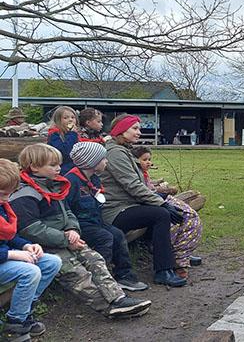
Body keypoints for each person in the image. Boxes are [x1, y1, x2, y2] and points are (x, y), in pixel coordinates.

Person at [10, 144, 151, 318]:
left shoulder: (54, 186)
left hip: (65, 237)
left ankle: (118, 298)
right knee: (75, 272)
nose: (59, 168)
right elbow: (30, 229)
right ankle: (106, 307)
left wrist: (72, 228)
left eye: (58, 164)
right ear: (35, 167)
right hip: (42, 245)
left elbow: (68, 211)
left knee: (95, 259)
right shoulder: (25, 194)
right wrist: (65, 238)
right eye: (52, 165)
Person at [100, 114, 187, 287]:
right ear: (121, 131)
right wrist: (161, 203)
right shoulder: (115, 153)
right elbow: (132, 185)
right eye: (135, 128)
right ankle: (163, 270)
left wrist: (159, 199)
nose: (139, 132)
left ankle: (173, 255)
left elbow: (137, 185)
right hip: (115, 211)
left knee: (162, 211)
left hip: (127, 205)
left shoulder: (122, 150)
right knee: (160, 214)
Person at [65, 142, 147, 291]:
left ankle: (125, 275)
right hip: (79, 225)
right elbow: (66, 208)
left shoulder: (94, 178)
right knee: (105, 238)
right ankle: (101, 279)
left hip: (95, 220)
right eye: (103, 159)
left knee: (117, 234)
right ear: (91, 162)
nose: (106, 162)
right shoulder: (72, 182)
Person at [0, 158, 61, 339]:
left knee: (52, 262)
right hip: (3, 257)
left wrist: (26, 245)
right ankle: (16, 323)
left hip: (4, 257)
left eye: (9, 194)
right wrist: (13, 254)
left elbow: (9, 237)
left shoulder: (2, 206)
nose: (7, 199)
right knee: (30, 272)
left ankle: (24, 308)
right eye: (3, 194)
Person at [131, 146, 202, 278]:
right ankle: (176, 258)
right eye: (144, 159)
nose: (148, 162)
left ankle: (181, 254)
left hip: (156, 200)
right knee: (174, 220)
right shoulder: (134, 174)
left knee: (189, 217)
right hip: (150, 203)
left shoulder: (143, 174)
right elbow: (143, 193)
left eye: (149, 159)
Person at [47, 106, 79, 174]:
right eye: (65, 118)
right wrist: (71, 134)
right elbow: (66, 152)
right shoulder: (54, 135)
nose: (70, 120)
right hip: (62, 169)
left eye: (73, 117)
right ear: (58, 121)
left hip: (74, 167)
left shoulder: (75, 134)